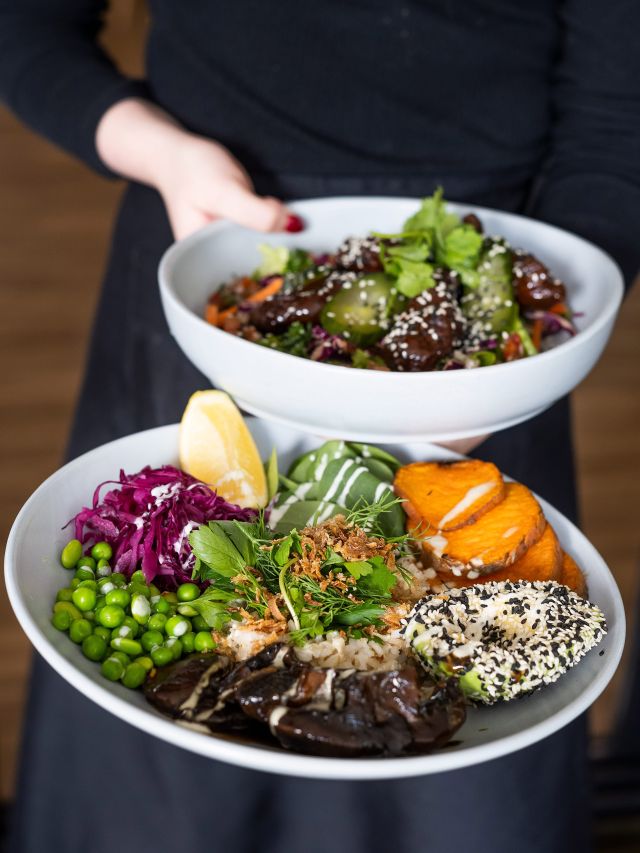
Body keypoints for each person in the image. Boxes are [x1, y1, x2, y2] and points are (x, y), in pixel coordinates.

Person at [1, 2, 638, 852]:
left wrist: (507, 365)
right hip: (209, 265)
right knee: (157, 793)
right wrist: (160, 152)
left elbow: (615, 124)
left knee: (463, 773)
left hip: (486, 361)